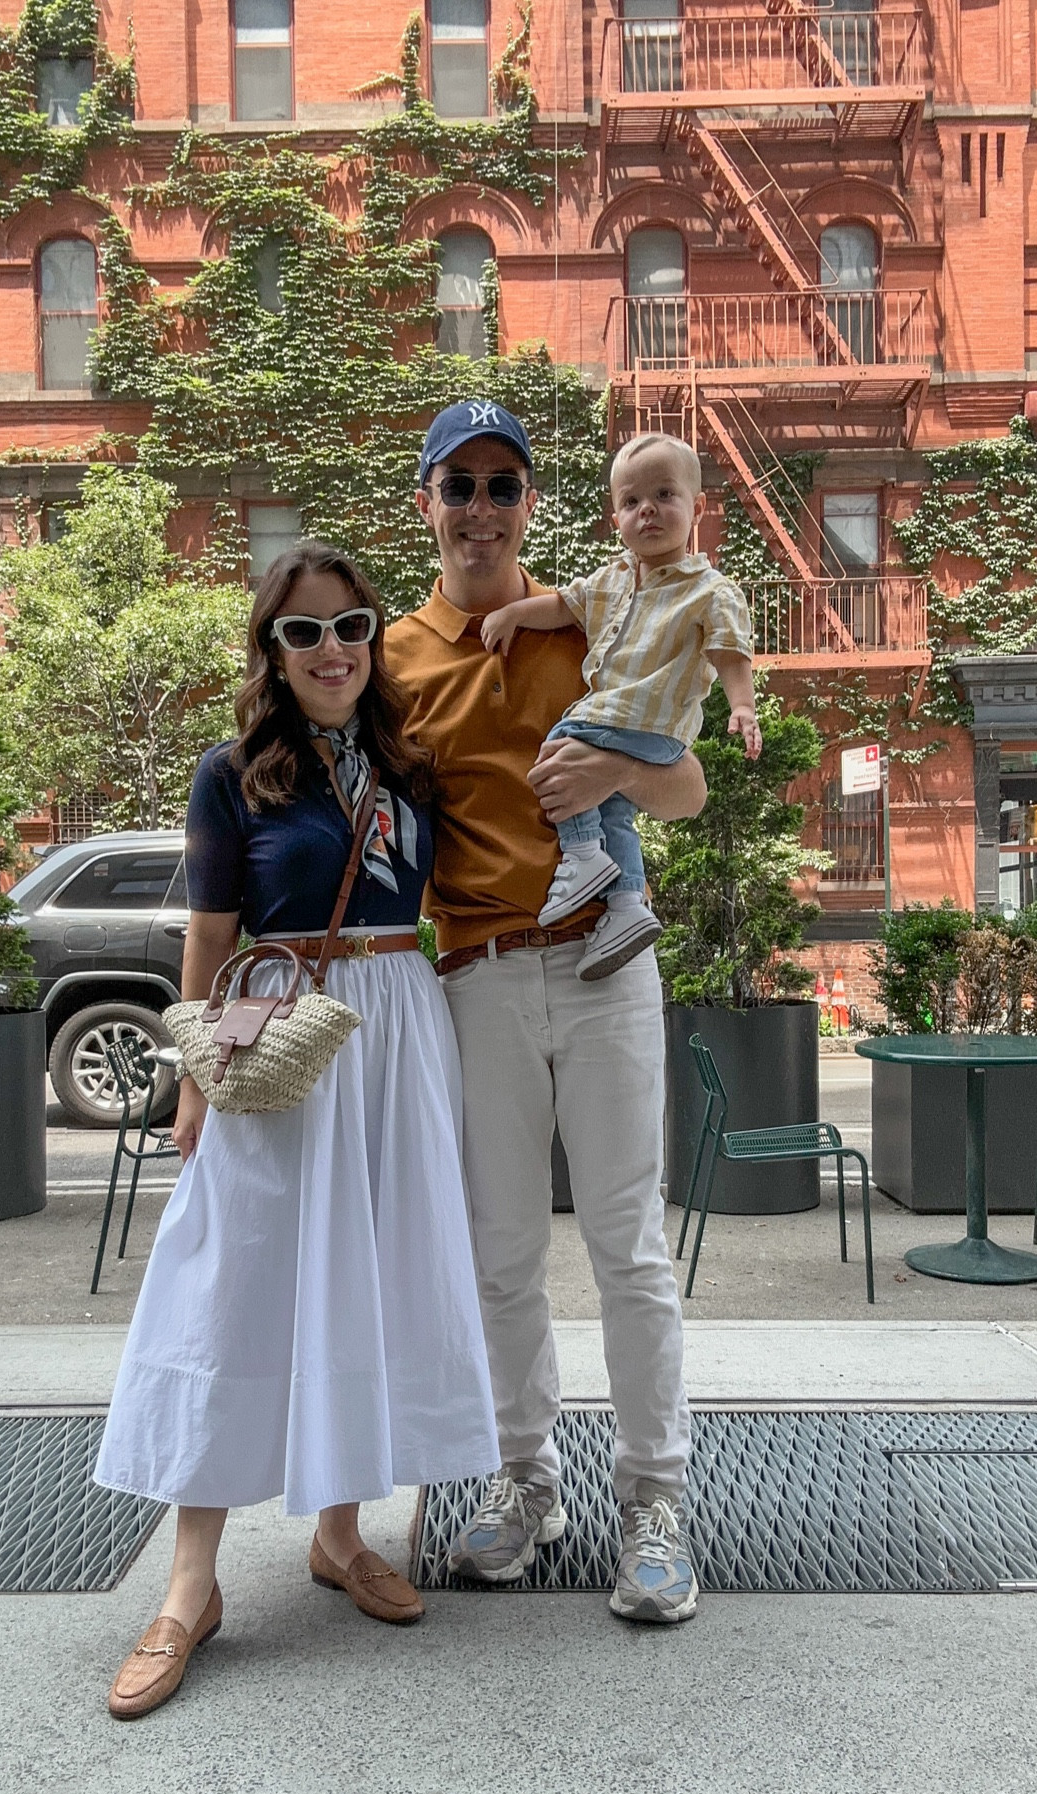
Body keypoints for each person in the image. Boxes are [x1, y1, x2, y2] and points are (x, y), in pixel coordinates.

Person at [94, 542, 500, 1719]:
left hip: (397, 1030)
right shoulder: (233, 774)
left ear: (376, 640)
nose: (333, 651)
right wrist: (191, 1087)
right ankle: (188, 1589)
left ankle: (340, 1534)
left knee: (370, 1275)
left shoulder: (410, 767)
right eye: (305, 632)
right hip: (276, 1035)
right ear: (271, 650)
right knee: (232, 1286)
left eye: (353, 627)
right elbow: (207, 940)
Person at [387, 401, 710, 1625]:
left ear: (531, 505)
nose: (480, 508)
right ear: (426, 502)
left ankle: (654, 1504)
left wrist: (621, 770)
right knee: (503, 1256)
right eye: (457, 485)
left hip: (604, 961)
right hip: (476, 974)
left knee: (629, 1246)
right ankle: (529, 1480)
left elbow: (682, 785)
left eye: (502, 487)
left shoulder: (601, 619)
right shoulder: (396, 656)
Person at [480, 431, 761, 981]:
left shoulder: (710, 590)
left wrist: (743, 706)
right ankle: (628, 906)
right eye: (631, 502)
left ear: (697, 507)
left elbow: (731, 652)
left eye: (664, 495)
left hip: (648, 722)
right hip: (625, 723)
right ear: (616, 519)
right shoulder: (612, 579)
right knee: (612, 805)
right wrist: (515, 613)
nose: (647, 511)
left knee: (561, 744)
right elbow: (564, 605)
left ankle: (582, 855)